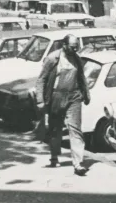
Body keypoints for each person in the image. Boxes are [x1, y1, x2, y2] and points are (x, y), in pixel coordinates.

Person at [35, 34, 90, 176]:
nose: (75, 49)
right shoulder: (52, 59)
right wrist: (40, 100)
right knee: (55, 129)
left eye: (77, 46)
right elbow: (41, 80)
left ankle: (78, 164)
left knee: (75, 129)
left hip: (74, 96)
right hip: (56, 97)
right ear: (64, 45)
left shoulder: (77, 58)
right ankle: (54, 156)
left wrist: (86, 94)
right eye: (72, 47)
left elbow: (82, 77)